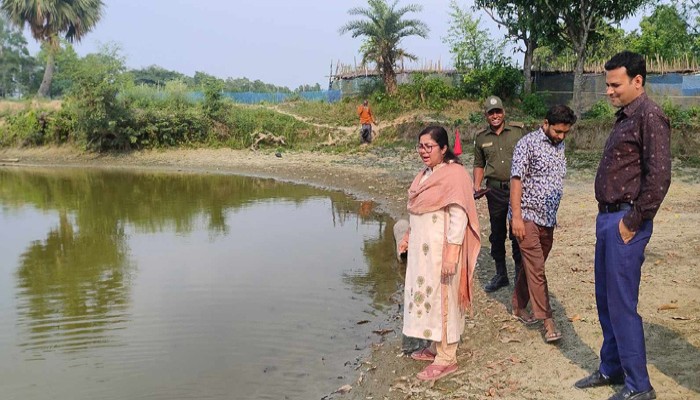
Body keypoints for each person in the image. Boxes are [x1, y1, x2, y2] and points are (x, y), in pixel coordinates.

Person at [574, 51, 671, 400]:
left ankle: (639, 386)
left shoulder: (650, 116)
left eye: (615, 85)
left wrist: (632, 222)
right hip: (608, 219)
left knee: (622, 304)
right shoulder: (625, 117)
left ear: (637, 81)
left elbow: (659, 178)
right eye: (607, 84)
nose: (609, 91)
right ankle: (611, 367)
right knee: (605, 300)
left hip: (625, 221)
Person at [397, 125, 481, 381]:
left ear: (444, 149)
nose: (423, 151)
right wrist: (409, 236)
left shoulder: (454, 175)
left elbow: (459, 216)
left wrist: (452, 254)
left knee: (444, 299)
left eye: (429, 146)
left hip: (442, 251)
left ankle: (447, 357)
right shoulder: (424, 175)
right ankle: (435, 345)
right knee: (428, 296)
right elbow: (417, 211)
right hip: (424, 253)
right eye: (420, 146)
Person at [509, 104, 577, 344]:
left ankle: (518, 305)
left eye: (565, 133)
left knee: (533, 266)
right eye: (558, 131)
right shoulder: (526, 144)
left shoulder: (560, 145)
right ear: (545, 123)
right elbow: (516, 181)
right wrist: (516, 217)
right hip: (526, 217)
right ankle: (547, 320)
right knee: (537, 269)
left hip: (548, 220)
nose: (561, 136)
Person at [472, 95, 524, 292]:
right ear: (486, 115)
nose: (495, 116)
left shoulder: (518, 132)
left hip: (517, 191)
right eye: (491, 113)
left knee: (517, 232)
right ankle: (501, 274)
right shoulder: (481, 138)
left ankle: (520, 275)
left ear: (504, 112)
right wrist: (476, 185)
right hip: (494, 191)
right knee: (497, 234)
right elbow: (479, 164)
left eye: (498, 112)